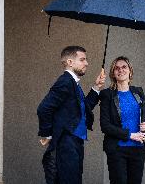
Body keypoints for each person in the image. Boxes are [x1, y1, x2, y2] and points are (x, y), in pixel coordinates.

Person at [37, 46, 106, 184]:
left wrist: (96, 87)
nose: (86, 63)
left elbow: (82, 109)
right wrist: (47, 134)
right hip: (66, 141)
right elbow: (44, 108)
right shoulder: (65, 81)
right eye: (82, 59)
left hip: (75, 141)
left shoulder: (73, 83)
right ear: (70, 62)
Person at [99, 56, 145, 184]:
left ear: (130, 70)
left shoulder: (138, 92)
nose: (121, 70)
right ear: (113, 73)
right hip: (117, 149)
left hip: (138, 149)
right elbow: (105, 126)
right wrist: (130, 135)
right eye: (116, 68)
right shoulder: (107, 95)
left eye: (124, 67)